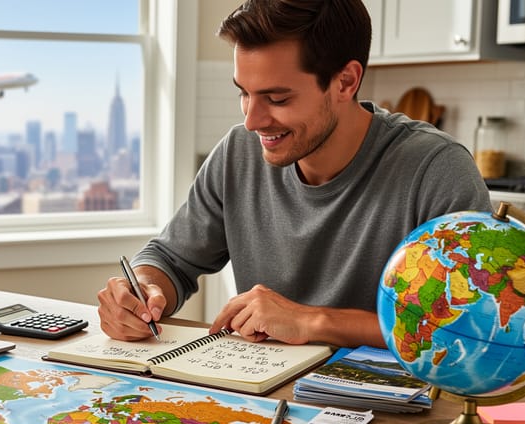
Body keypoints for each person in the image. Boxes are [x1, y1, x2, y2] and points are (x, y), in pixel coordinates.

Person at [97, 0, 491, 348]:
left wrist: (312, 321)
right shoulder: (237, 154)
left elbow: (469, 326)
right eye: (244, 93)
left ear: (345, 82)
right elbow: (170, 259)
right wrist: (143, 289)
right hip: (267, 393)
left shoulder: (436, 169)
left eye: (277, 98)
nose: (252, 121)